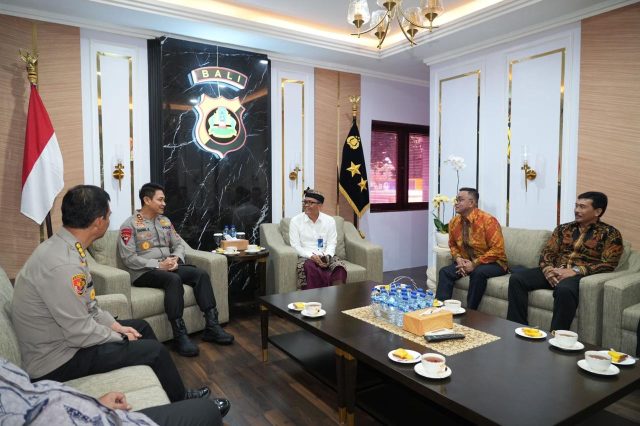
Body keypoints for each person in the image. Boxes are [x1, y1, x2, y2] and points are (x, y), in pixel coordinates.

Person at [11, 185, 229, 417]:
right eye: (108, 215)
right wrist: (120, 337)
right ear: (98, 222)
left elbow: (89, 307)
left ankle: (175, 392)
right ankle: (184, 406)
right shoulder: (63, 265)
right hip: (57, 361)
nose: (109, 220)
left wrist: (115, 325)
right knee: (155, 351)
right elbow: (79, 332)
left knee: (141, 326)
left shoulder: (67, 248)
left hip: (66, 341)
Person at [118, 183, 233, 358]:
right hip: (144, 272)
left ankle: (212, 326)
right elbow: (129, 259)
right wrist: (159, 265)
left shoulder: (165, 221)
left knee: (200, 274)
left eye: (164, 200)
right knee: (173, 280)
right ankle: (180, 336)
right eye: (160, 200)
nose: (164, 203)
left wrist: (175, 259)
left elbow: (179, 244)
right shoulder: (130, 225)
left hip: (168, 266)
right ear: (147, 200)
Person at [507, 191, 623, 331]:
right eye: (576, 206)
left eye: (582, 207)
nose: (577, 210)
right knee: (517, 279)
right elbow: (547, 252)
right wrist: (548, 270)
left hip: (579, 276)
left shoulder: (611, 234)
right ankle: (516, 327)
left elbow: (609, 263)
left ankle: (556, 336)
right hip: (555, 270)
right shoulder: (563, 229)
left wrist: (575, 271)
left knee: (564, 290)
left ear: (597, 211)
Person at [0, 357, 223, 426]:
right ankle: (180, 396)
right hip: (62, 357)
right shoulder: (58, 267)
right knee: (207, 411)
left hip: (93, 411)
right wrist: (115, 333)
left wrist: (94, 403)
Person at [435, 188, 508, 309]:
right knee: (445, 272)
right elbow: (452, 244)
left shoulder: (488, 221)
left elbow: (497, 250)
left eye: (460, 200)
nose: (456, 203)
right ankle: (440, 311)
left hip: (495, 263)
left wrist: (474, 264)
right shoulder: (454, 222)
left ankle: (470, 313)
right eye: (456, 200)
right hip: (467, 261)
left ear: (472, 203)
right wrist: (458, 259)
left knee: (478, 273)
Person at [289, 188, 347, 289]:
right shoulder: (295, 221)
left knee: (339, 268)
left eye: (310, 203)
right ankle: (317, 298)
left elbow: (332, 243)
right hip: (306, 257)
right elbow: (295, 246)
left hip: (326, 255)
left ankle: (337, 297)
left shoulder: (329, 221)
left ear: (320, 205)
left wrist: (326, 257)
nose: (306, 205)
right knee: (311, 269)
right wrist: (311, 256)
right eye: (305, 202)